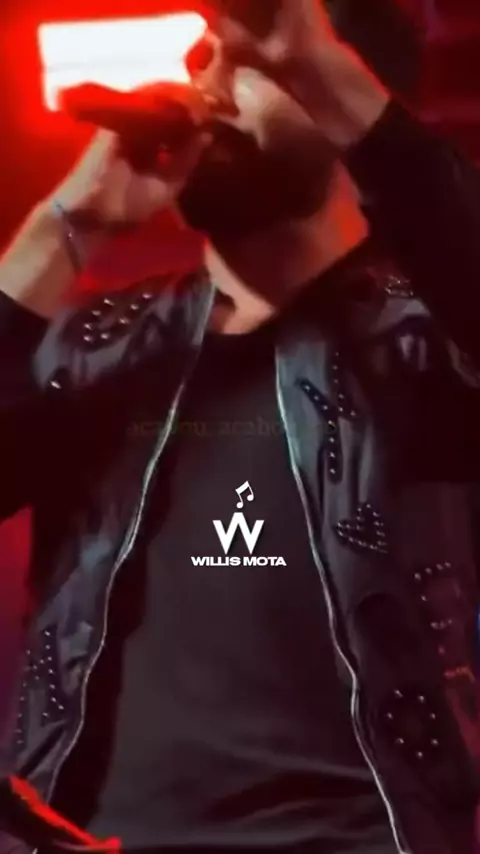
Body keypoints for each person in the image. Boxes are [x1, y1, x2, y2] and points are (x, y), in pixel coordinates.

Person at [0, 1, 479, 853]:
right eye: (199, 64)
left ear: (349, 93)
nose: (207, 92)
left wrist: (314, 63)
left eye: (248, 65)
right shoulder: (99, 349)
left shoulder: (429, 342)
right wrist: (66, 227)